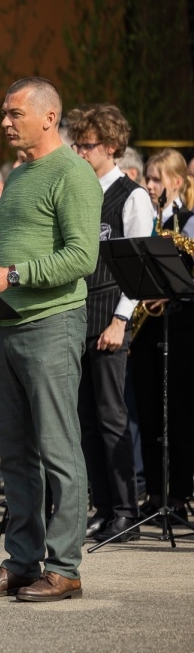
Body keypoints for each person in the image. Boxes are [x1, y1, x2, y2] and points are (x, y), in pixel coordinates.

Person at [0, 77, 101, 602]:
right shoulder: (20, 175)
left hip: (52, 324)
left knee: (59, 448)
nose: (5, 122)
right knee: (14, 452)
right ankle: (22, 560)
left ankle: (65, 568)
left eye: (14, 113)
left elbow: (82, 258)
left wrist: (12, 277)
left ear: (48, 116)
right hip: (7, 327)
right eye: (4, 112)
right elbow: (12, 249)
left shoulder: (74, 174)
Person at [65, 105, 152, 543]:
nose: (80, 150)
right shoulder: (79, 190)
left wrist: (120, 320)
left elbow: (136, 270)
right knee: (84, 417)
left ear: (112, 147)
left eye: (88, 144)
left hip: (110, 317)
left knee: (112, 415)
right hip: (76, 317)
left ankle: (125, 510)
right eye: (76, 143)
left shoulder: (130, 194)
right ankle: (103, 507)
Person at [132, 147, 194, 526]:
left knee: (179, 412)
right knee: (149, 409)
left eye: (157, 179)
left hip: (181, 323)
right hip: (147, 324)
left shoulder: (187, 221)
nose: (151, 186)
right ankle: (154, 495)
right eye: (148, 179)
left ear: (176, 181)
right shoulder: (146, 220)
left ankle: (179, 495)